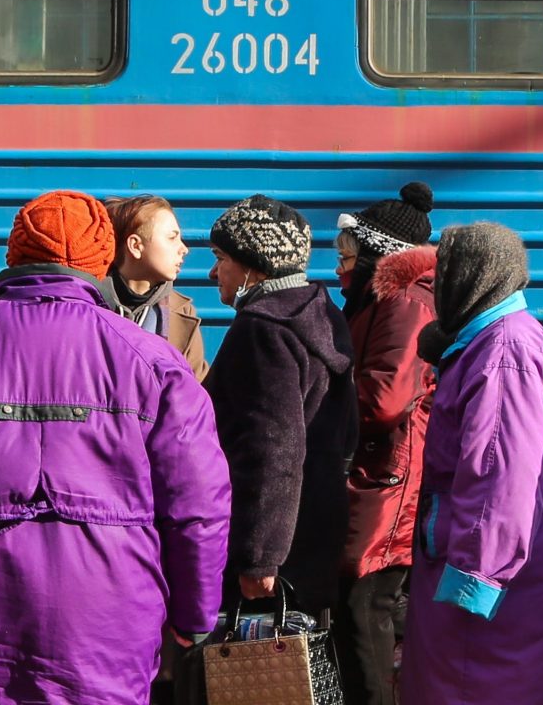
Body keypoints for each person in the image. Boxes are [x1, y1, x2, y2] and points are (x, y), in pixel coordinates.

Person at [0, 190, 230, 705]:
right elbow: (198, 501)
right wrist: (195, 612)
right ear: (101, 260)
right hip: (110, 603)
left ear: (13, 255)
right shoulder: (152, 360)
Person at [397, 223, 543, 705]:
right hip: (529, 560)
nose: (434, 283)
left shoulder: (502, 351)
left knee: (484, 687)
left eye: (442, 271)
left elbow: (499, 476)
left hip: (498, 584)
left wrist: (475, 579)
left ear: (470, 276)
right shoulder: (503, 338)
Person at [204, 194, 357, 618]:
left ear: (254, 264)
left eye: (221, 257)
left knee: (252, 674)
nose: (213, 272)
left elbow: (272, 449)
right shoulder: (323, 315)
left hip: (273, 549)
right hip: (316, 528)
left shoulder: (262, 330)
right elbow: (347, 433)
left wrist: (259, 556)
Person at [333, 183, 438, 705]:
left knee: (365, 609)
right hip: (377, 476)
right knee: (362, 612)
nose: (338, 265)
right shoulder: (383, 300)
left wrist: (316, 399)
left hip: (388, 480)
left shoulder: (404, 304)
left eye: (347, 252)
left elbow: (384, 398)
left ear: (376, 251)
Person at [103, 194, 209, 377]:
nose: (184, 249)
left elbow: (197, 396)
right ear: (136, 246)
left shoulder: (182, 315)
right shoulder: (88, 305)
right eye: (172, 238)